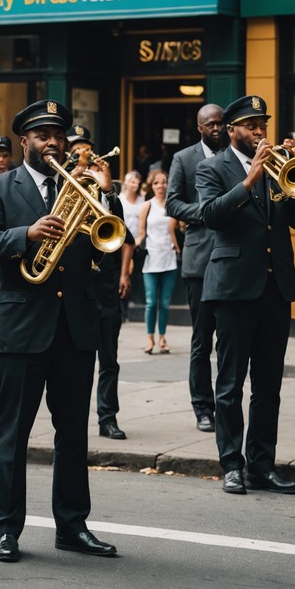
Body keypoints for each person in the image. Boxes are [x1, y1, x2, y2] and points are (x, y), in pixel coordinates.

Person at [0, 99, 119, 563]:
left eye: (57, 134)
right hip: (21, 325)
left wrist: (104, 203)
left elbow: (103, 249)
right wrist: (28, 235)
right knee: (13, 432)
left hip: (74, 325)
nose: (52, 142)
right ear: (24, 143)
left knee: (73, 432)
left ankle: (73, 526)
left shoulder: (80, 187)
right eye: (41, 135)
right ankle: (6, 529)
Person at [196, 95, 295, 495]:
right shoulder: (211, 168)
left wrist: (293, 185)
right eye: (251, 126)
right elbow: (210, 216)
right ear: (232, 131)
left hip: (275, 288)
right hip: (232, 289)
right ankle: (231, 463)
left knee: (268, 385)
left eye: (262, 124)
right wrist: (249, 180)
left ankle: (262, 465)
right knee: (229, 383)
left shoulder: (278, 169)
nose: (260, 131)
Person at [65, 124, 132, 440]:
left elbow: (120, 232)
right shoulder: (60, 183)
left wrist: (108, 191)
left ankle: (108, 418)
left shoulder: (106, 186)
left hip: (104, 285)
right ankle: (72, 417)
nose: (82, 154)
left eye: (86, 149)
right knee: (74, 360)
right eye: (76, 148)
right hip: (75, 284)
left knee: (109, 358)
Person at [165, 103, 225, 432]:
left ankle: (227, 403)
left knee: (230, 339)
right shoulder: (184, 159)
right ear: (199, 128)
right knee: (202, 340)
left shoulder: (235, 156)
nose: (217, 129)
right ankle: (203, 407)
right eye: (211, 125)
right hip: (200, 260)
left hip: (234, 258)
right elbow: (172, 203)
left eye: (221, 124)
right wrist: (208, 211)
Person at [136, 169, 180, 355]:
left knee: (164, 302)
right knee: (151, 301)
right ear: (151, 186)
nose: (161, 186)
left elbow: (176, 230)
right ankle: (149, 338)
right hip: (151, 258)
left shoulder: (173, 205)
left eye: (163, 182)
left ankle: (162, 336)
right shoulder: (147, 206)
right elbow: (141, 233)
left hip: (169, 257)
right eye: (156, 183)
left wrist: (179, 248)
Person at [119, 170, 144, 320]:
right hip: (122, 243)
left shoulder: (142, 201)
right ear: (126, 183)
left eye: (137, 182)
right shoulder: (120, 199)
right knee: (123, 274)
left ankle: (133, 304)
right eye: (132, 182)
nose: (135, 185)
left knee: (134, 276)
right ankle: (123, 310)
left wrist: (137, 241)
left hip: (137, 244)